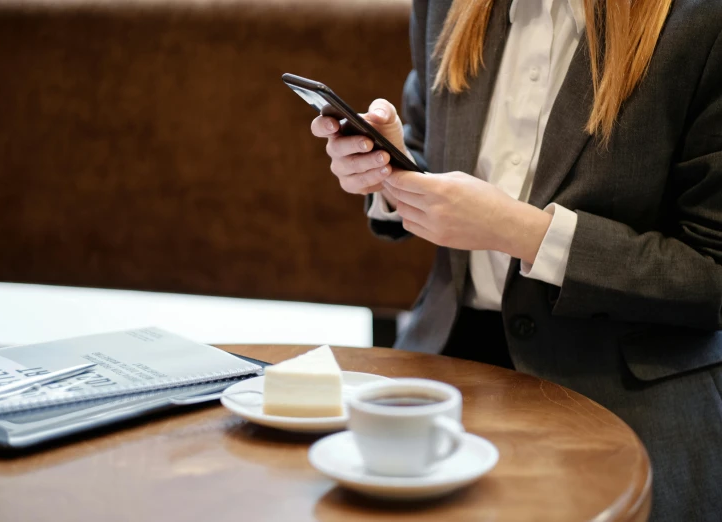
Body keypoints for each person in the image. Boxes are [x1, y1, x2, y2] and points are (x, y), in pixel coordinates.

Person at [309, 0, 721, 520]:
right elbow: (426, 144)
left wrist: (520, 232)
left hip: (621, 393)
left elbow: (712, 274)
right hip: (447, 367)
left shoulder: (701, 18)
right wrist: (389, 172)